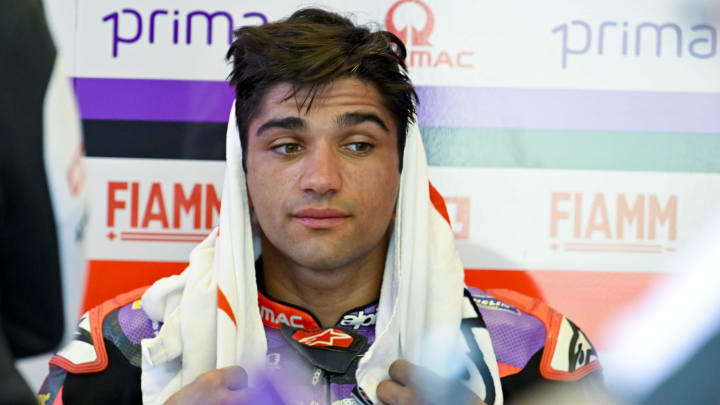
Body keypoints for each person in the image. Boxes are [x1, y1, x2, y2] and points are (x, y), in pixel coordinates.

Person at [39, 8, 601, 405]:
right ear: (243, 171)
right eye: (286, 146)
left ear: (404, 168)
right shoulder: (123, 349)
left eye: (358, 144)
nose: (322, 179)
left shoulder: (533, 351)